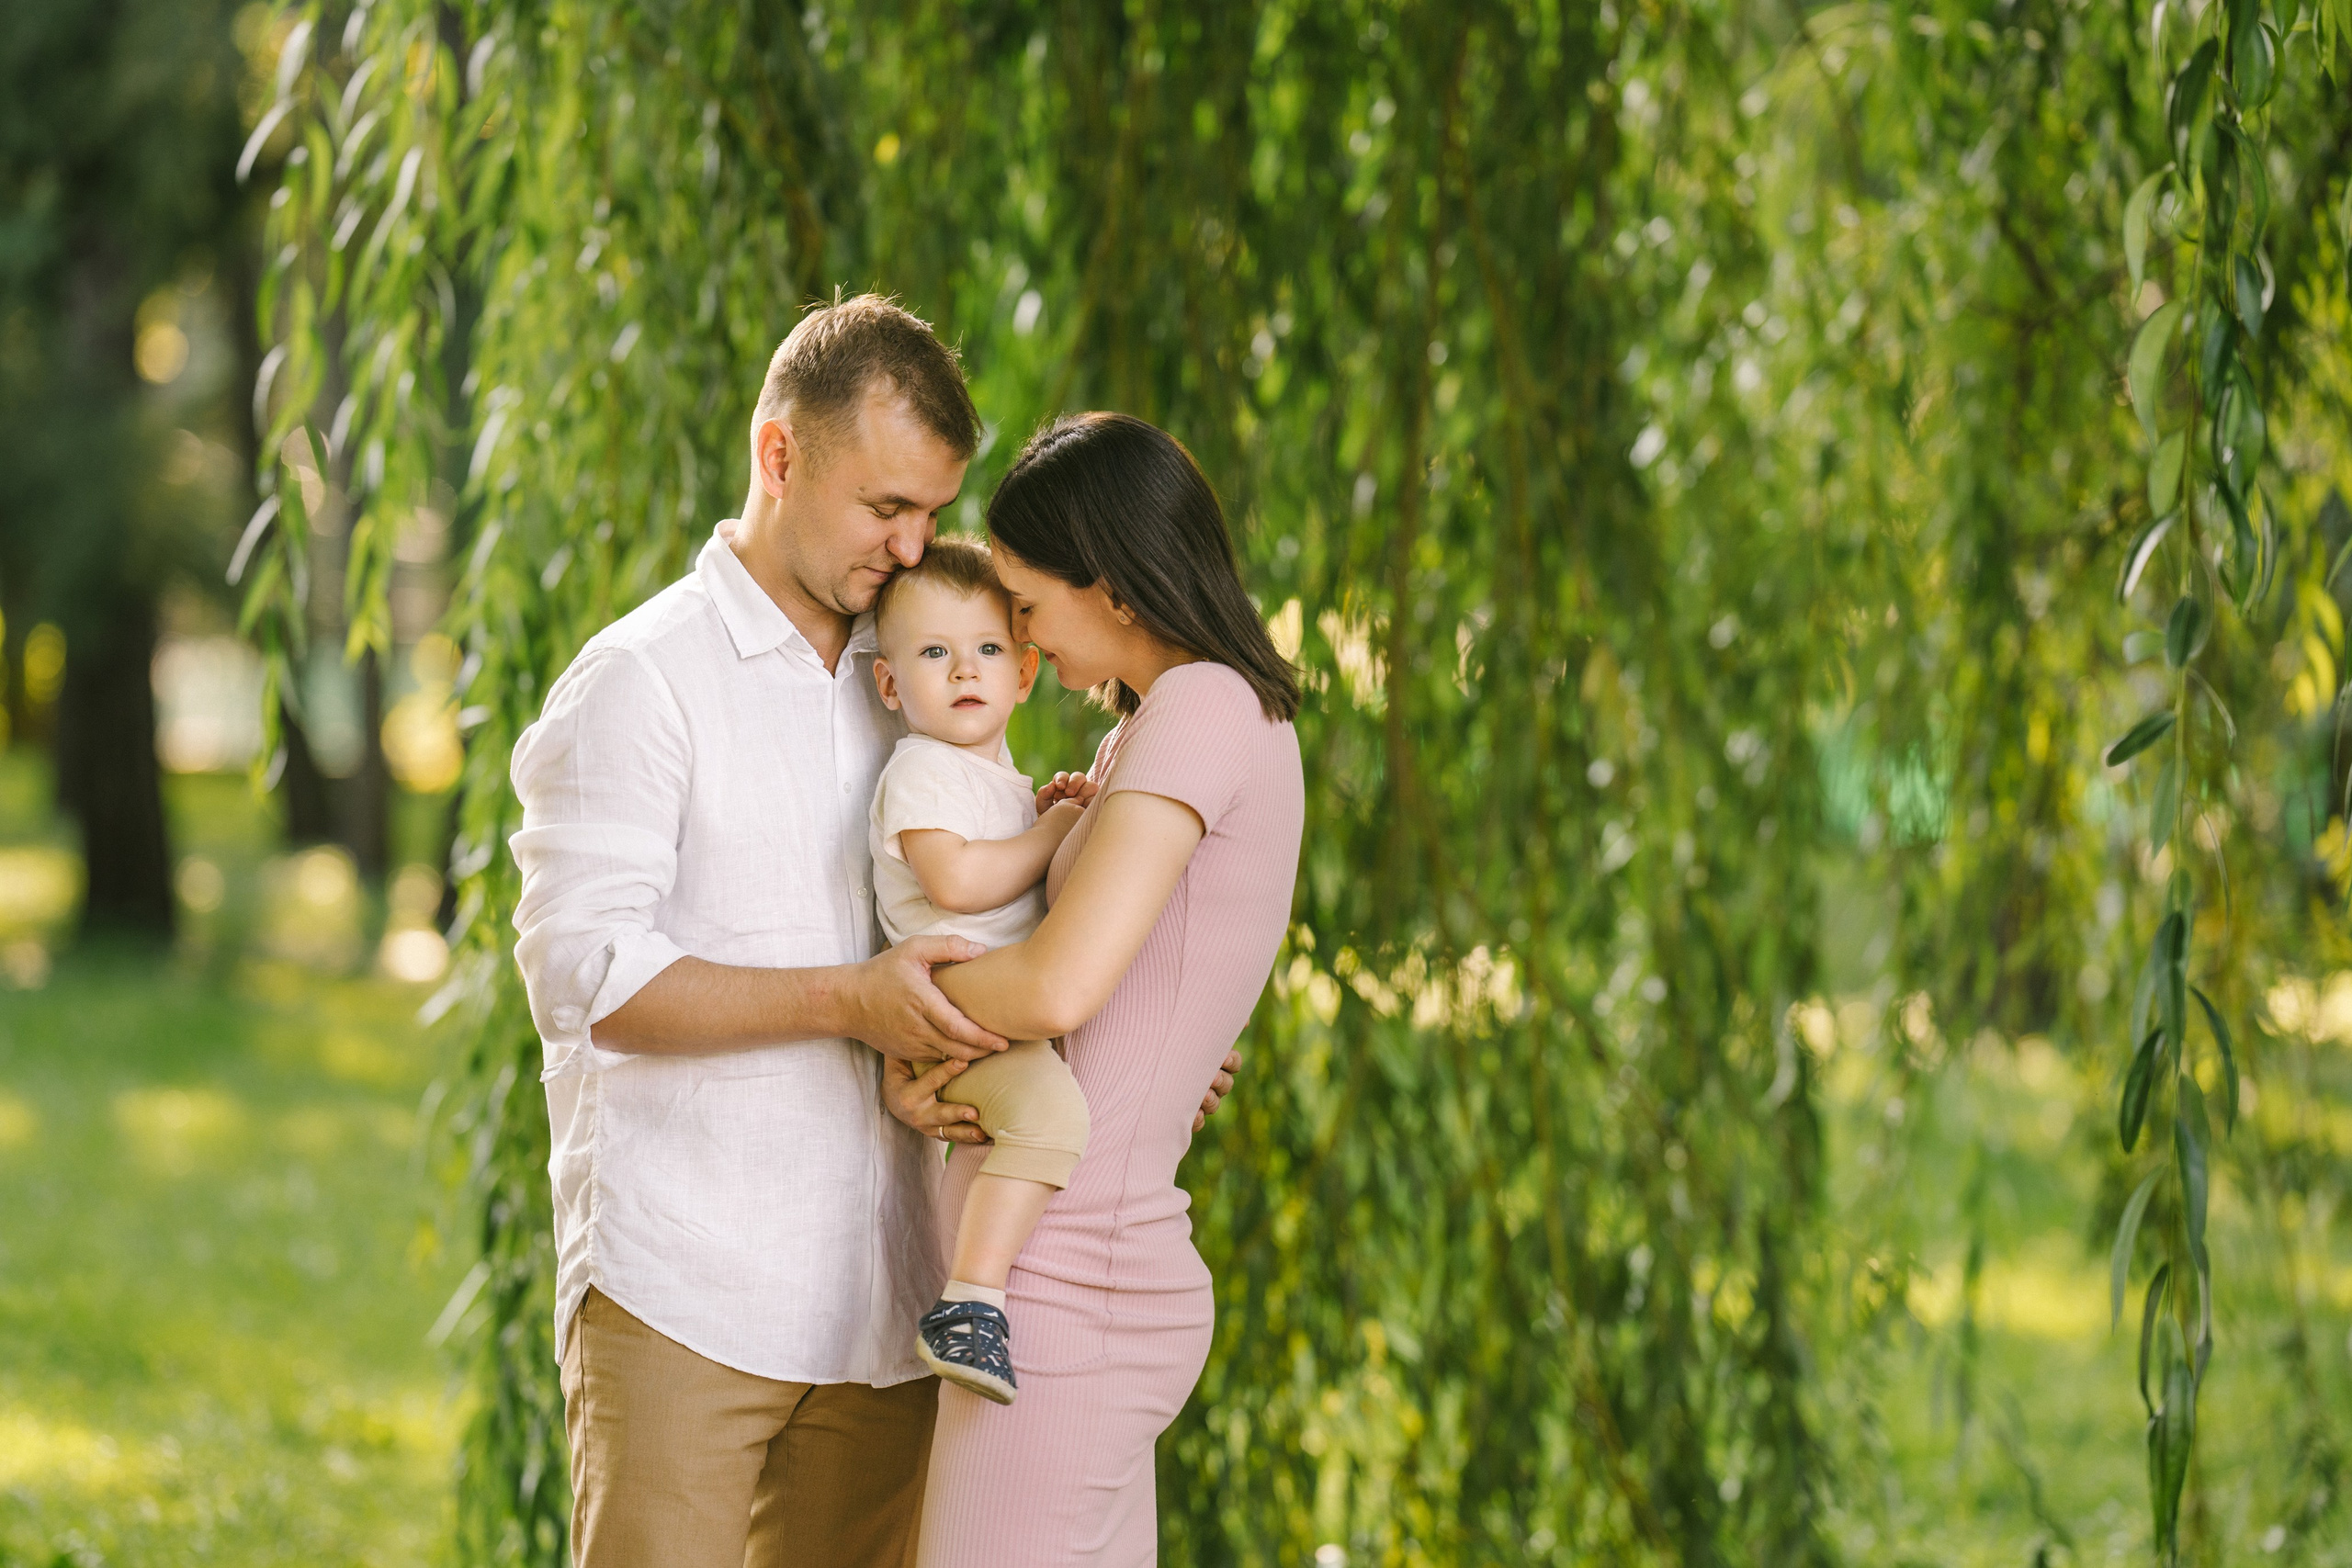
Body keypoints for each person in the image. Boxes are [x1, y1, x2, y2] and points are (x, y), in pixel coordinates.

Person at [506, 297, 1238, 1568]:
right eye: (886, 507)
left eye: (932, 512)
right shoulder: (641, 681)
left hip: (893, 1305)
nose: (913, 547)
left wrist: (1138, 1048)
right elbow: (584, 976)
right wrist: (852, 1000)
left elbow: (992, 920)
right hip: (688, 1292)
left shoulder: (923, 664)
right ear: (779, 455)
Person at [890, 412, 1304, 1566]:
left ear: (1112, 588)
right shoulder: (1160, 724)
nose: (1017, 636)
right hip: (1064, 1290)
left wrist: (887, 1007)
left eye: (1027, 606)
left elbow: (1059, 987)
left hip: (1073, 1292)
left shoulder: (1201, 709)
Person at [864, 538, 1100, 1404]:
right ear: (891, 685)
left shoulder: (990, 778)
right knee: (1052, 1118)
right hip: (951, 1016)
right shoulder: (919, 769)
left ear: (1025, 672)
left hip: (995, 1006)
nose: (965, 669)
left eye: (988, 648)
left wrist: (1042, 816)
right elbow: (957, 881)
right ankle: (969, 1300)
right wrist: (1051, 834)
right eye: (935, 651)